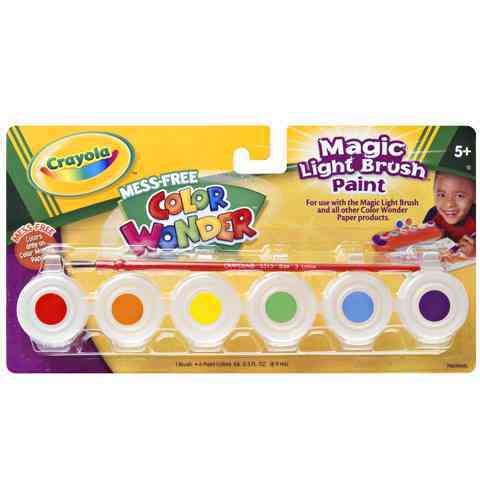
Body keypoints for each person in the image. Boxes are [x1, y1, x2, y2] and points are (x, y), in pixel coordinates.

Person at [423, 172, 475, 257]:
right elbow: (423, 242)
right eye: (442, 195)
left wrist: (475, 253)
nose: (449, 204)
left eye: (459, 196)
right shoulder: (433, 214)